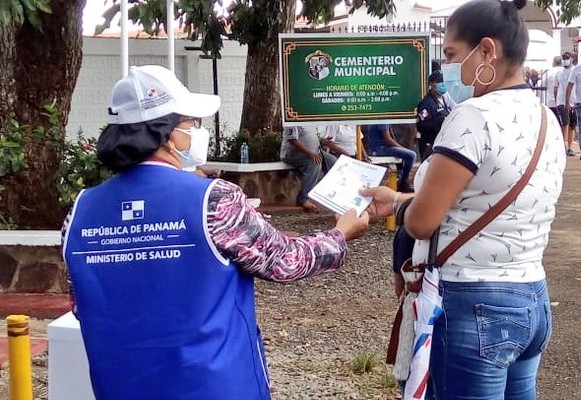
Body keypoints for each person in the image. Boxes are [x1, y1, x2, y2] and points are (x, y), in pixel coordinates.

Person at [62, 65, 369, 400]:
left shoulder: (80, 211)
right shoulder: (214, 200)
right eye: (191, 123)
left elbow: (83, 304)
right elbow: (285, 260)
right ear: (167, 135)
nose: (196, 130)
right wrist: (341, 234)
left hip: (121, 385)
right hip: (211, 385)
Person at [361, 0, 566, 398]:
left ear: (487, 50)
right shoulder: (547, 118)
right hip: (532, 296)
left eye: (453, 55)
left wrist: (403, 205)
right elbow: (485, 195)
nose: (448, 70)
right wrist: (402, 197)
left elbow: (421, 222)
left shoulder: (472, 117)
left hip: (475, 302)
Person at [281, 125, 337, 211]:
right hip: (293, 153)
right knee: (314, 162)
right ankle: (303, 199)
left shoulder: (308, 121)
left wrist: (323, 141)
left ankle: (329, 196)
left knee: (333, 162)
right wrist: (309, 154)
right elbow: (292, 140)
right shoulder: (292, 122)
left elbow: (312, 138)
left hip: (315, 152)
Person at [365, 124, 417, 193]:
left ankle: (400, 177)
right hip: (380, 148)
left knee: (403, 155)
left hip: (378, 148)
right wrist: (402, 148)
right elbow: (388, 139)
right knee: (411, 155)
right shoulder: (383, 120)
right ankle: (403, 182)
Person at [416, 70, 451, 161]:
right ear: (432, 84)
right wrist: (440, 122)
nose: (443, 84)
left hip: (442, 143)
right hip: (430, 145)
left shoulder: (443, 99)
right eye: (439, 82)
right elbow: (423, 125)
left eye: (444, 81)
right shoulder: (426, 103)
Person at [555, 51, 578, 156]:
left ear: (572, 59)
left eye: (567, 58)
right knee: (565, 123)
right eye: (563, 58)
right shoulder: (559, 72)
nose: (565, 60)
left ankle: (569, 147)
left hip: (573, 101)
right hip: (561, 102)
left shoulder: (575, 71)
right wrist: (557, 101)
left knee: (572, 125)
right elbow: (556, 87)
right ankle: (563, 146)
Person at [544, 56, 563, 124]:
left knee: (551, 124)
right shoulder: (565, 72)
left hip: (550, 102)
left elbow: (541, 86)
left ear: (553, 63)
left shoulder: (548, 73)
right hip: (563, 103)